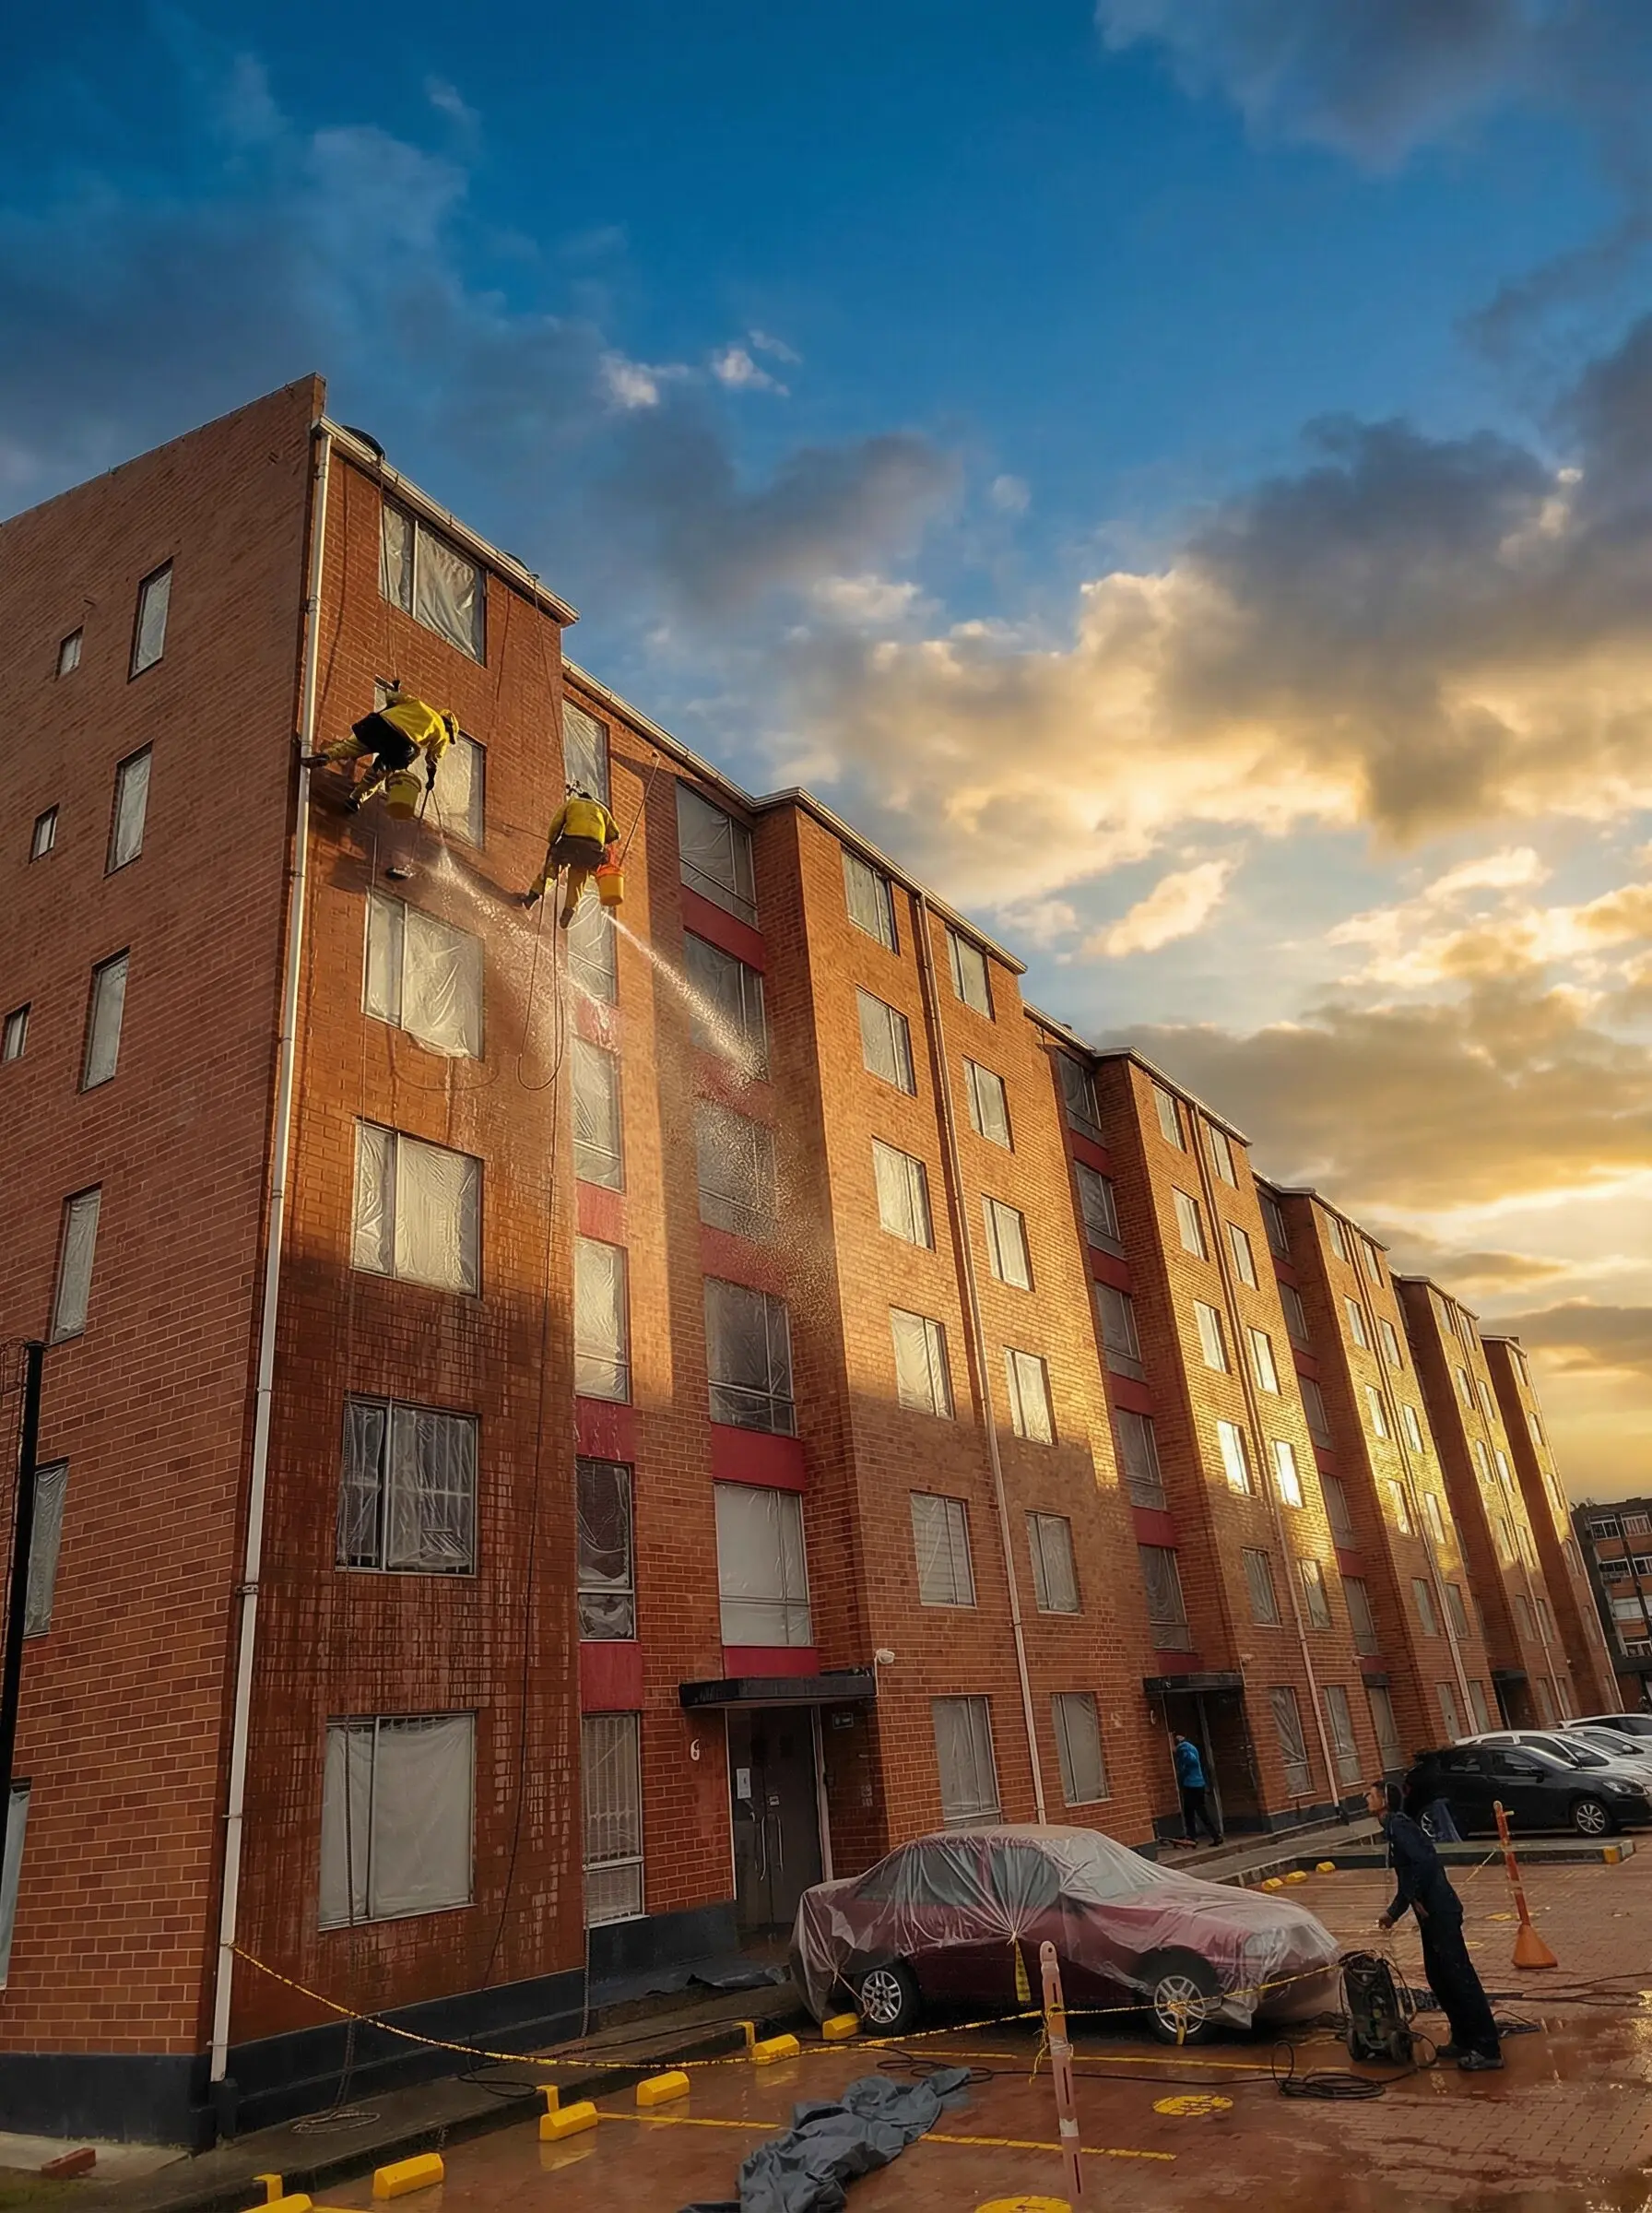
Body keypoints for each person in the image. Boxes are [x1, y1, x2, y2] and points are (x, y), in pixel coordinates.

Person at [1367, 1782, 1502, 2071]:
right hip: (1429, 1915)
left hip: (1440, 1911)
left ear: (1384, 1801)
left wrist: (1406, 1904)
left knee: (1460, 1977)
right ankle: (1463, 2038)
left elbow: (1425, 1863)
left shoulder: (1400, 1826)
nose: (1366, 1797)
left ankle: (1487, 2047)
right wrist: (1396, 1911)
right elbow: (1409, 1877)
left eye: (1371, 1794)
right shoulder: (1393, 1829)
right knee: (1439, 1976)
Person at [303, 685, 456, 813]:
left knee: (351, 746)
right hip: (402, 746)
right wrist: (430, 779)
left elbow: (391, 696)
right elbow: (433, 760)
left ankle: (327, 756)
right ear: (450, 728)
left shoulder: (418, 703)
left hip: (381, 724)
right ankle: (356, 799)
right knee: (378, 773)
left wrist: (395, 692)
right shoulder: (443, 733)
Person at [524, 786, 620, 927]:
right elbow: (615, 834)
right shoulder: (602, 810)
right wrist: (600, 838)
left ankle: (532, 896)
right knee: (578, 880)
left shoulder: (572, 803)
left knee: (552, 869)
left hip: (569, 844)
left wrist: (552, 841)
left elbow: (556, 823)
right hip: (591, 851)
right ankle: (569, 910)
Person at [1172, 1732, 1222, 1846]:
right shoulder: (1191, 1747)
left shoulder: (1183, 1748)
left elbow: (1190, 1760)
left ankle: (1193, 1837)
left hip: (1191, 1785)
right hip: (1199, 1784)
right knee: (1199, 1811)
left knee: (1191, 1812)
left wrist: (1183, 1772)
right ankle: (1213, 1836)